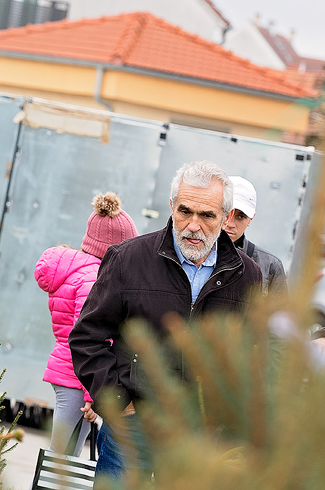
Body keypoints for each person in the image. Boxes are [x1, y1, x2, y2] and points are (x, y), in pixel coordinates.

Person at [69, 160, 262, 478]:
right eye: (185, 211)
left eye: (206, 215)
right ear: (172, 206)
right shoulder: (128, 259)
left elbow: (253, 356)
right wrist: (120, 405)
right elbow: (87, 337)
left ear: (226, 217)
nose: (193, 225)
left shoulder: (247, 276)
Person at [35, 192, 138, 456]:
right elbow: (88, 338)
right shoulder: (93, 280)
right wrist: (93, 394)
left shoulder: (77, 270)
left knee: (66, 453)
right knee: (62, 456)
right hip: (77, 378)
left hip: (70, 373)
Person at [223, 175, 287, 295]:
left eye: (241, 216)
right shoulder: (194, 253)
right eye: (226, 213)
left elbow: (279, 307)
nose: (230, 224)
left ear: (250, 219)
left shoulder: (270, 265)